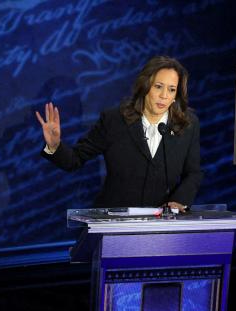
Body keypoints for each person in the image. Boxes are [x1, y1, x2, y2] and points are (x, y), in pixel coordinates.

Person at [36, 55, 203, 210]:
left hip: (163, 224)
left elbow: (193, 173)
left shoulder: (187, 124)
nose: (164, 96)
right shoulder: (114, 120)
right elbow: (74, 159)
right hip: (115, 221)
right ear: (145, 86)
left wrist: (178, 201)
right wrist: (54, 145)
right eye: (158, 87)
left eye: (172, 89)